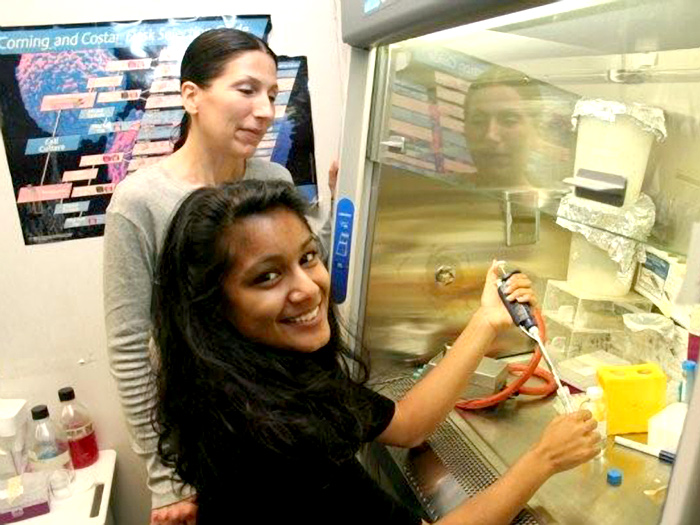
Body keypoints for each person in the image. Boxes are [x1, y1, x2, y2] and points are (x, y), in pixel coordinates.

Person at [152, 179, 600, 524]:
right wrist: (544, 460)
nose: (308, 289)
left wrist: (485, 321)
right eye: (267, 277)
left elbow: (406, 425)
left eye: (308, 258)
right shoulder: (281, 439)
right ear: (214, 306)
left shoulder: (269, 376)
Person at [103, 28, 332, 524]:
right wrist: (166, 480)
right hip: (209, 441)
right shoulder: (141, 201)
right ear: (192, 96)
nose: (266, 110)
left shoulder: (274, 181)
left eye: (272, 94)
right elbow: (128, 345)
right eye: (247, 90)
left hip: (290, 424)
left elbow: (304, 290)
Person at [463, 66, 543, 188]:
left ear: (535, 129)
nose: (491, 135)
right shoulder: (436, 194)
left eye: (509, 121)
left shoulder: (564, 202)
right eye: (478, 121)